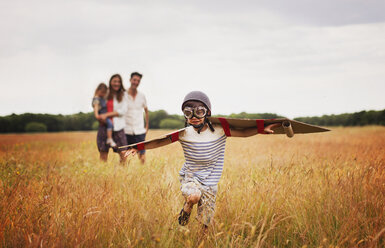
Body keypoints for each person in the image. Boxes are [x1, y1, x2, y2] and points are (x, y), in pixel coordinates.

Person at [124, 91, 280, 233]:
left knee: (205, 224)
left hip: (211, 182)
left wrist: (261, 129)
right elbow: (160, 141)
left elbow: (244, 133)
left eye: (199, 112)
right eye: (188, 113)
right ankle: (187, 207)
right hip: (191, 178)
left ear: (207, 113)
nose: (194, 116)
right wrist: (138, 147)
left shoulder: (220, 130)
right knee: (194, 196)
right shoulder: (184, 134)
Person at [96, 74, 128, 163]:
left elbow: (123, 110)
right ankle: (103, 174)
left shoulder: (124, 95)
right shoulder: (105, 93)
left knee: (123, 152)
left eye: (118, 82)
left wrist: (107, 115)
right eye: (114, 81)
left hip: (119, 127)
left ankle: (122, 174)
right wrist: (99, 115)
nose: (116, 83)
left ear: (121, 83)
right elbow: (97, 104)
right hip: (104, 126)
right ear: (110, 82)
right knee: (103, 152)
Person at [124, 72, 149, 164]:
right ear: (130, 80)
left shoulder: (142, 96)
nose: (136, 82)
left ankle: (143, 174)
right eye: (134, 80)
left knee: (142, 156)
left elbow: (146, 111)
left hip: (139, 130)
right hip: (126, 130)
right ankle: (121, 175)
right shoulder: (123, 95)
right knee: (124, 155)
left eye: (138, 81)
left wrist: (147, 126)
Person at [92, 83, 117, 147]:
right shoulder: (96, 99)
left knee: (110, 124)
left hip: (105, 116)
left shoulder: (102, 97)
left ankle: (109, 138)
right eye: (102, 92)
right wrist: (97, 116)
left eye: (104, 93)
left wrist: (109, 87)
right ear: (98, 90)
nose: (103, 94)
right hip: (102, 116)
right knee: (110, 124)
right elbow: (96, 107)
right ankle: (109, 138)